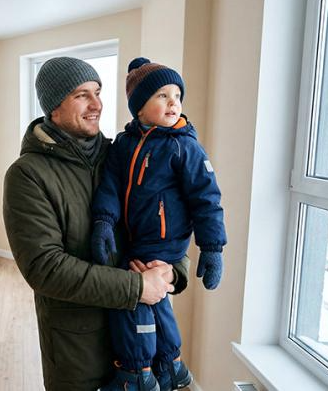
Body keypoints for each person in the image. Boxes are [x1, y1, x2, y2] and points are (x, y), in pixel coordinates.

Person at [3, 57, 190, 391]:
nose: (97, 105)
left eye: (98, 92)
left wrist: (172, 270)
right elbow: (45, 268)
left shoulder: (123, 155)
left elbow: (167, 217)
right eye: (81, 95)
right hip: (78, 352)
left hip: (141, 343)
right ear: (54, 106)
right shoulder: (27, 175)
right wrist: (136, 288)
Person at [91, 58, 227, 390]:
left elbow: (207, 199)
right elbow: (110, 186)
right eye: (162, 96)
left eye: (177, 96)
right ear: (139, 107)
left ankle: (136, 373)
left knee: (132, 295)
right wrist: (104, 221)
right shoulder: (123, 144)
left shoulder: (184, 146)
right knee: (156, 298)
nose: (173, 103)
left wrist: (212, 247)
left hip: (164, 240)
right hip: (134, 237)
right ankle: (170, 363)